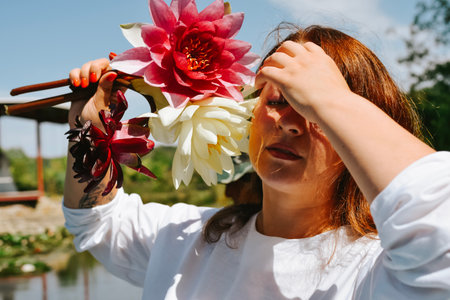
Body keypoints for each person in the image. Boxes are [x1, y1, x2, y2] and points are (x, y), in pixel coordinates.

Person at [63, 24, 450, 299]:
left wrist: (337, 101)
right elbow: (97, 224)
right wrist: (89, 128)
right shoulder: (187, 239)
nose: (290, 124)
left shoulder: (375, 268)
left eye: (316, 112)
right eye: (278, 101)